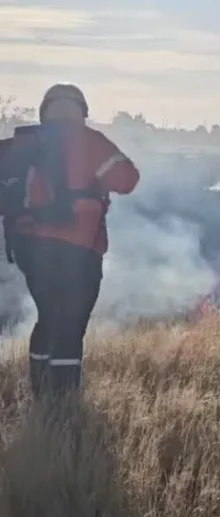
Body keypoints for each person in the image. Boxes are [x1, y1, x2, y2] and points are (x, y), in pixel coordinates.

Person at [0, 83, 140, 398]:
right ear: (82, 111)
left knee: (48, 316)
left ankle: (40, 390)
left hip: (29, 250)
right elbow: (128, 180)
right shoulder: (91, 141)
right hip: (80, 250)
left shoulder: (20, 144)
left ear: (44, 110)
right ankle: (63, 406)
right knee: (71, 324)